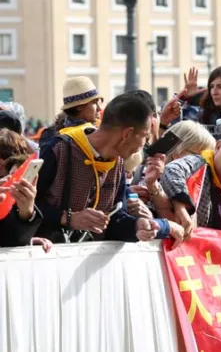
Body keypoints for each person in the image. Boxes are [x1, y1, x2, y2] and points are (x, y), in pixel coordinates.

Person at [36, 94, 182, 244]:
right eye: (145, 136)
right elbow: (22, 206)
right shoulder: (56, 150)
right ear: (127, 134)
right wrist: (68, 218)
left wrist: (138, 225)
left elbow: (116, 220)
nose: (144, 145)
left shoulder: (118, 163)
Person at [40, 77, 103, 141]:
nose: (99, 108)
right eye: (94, 102)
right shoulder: (55, 139)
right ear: (79, 106)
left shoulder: (101, 131)